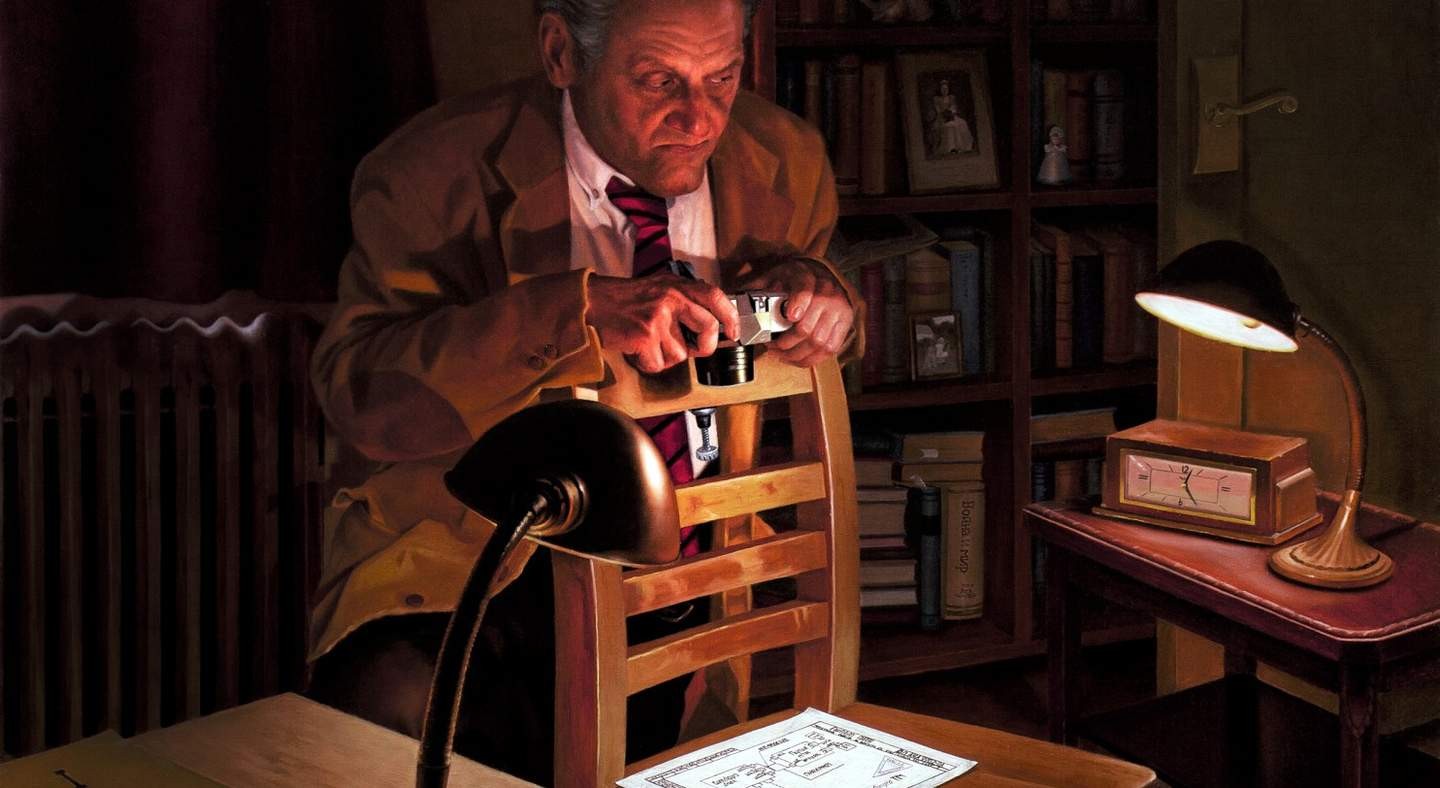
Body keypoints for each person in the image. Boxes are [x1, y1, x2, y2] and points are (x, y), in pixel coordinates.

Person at [304, 0, 862, 783]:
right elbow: (361, 395)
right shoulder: (431, 169)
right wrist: (577, 310)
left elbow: (820, 314)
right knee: (403, 734)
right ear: (562, 52)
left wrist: (823, 296)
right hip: (475, 556)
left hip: (683, 561)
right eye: (659, 80)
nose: (700, 118)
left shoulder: (785, 157)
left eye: (723, 77)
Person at [930, 78, 974, 156]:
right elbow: (938, 110)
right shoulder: (937, 99)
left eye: (946, 89)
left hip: (951, 116)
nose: (944, 91)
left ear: (948, 89)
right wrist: (944, 114)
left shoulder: (951, 97)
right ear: (940, 90)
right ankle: (948, 148)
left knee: (961, 123)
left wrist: (951, 113)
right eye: (943, 89)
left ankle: (958, 147)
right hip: (941, 117)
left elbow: (954, 107)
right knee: (945, 126)